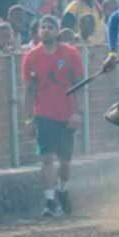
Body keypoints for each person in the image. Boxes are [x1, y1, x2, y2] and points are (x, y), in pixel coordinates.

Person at [22, 15, 82, 216]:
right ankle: (49, 200)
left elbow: (78, 86)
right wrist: (29, 119)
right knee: (47, 158)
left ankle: (62, 190)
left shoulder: (71, 54)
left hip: (66, 115)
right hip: (43, 115)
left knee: (65, 161)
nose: (46, 30)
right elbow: (29, 90)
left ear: (57, 31)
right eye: (43, 27)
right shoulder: (31, 57)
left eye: (50, 27)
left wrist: (77, 113)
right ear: (38, 32)